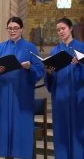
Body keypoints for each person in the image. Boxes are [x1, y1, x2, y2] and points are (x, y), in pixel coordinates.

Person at [0, 17, 45, 159]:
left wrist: (30, 67)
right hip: (3, 95)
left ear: (22, 29)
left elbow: (39, 69)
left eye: (15, 28)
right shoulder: (0, 47)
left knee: (20, 131)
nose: (12, 31)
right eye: (10, 28)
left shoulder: (30, 47)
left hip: (21, 95)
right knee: (4, 132)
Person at [45, 17, 84, 159]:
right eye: (58, 30)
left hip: (79, 96)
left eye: (63, 28)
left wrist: (80, 63)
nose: (60, 31)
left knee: (79, 130)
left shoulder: (81, 47)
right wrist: (48, 73)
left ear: (71, 28)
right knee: (61, 131)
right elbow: (51, 76)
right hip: (60, 96)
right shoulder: (55, 51)